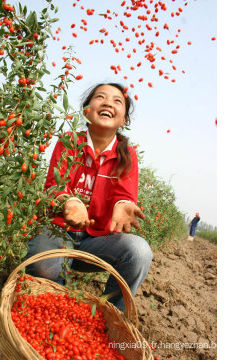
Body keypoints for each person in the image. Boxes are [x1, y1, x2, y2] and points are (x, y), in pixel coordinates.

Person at [25, 83, 153, 312]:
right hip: (58, 233)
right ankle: (51, 311)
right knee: (44, 267)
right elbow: (55, 186)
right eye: (100, 97)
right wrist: (70, 201)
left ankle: (109, 316)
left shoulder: (127, 154)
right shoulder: (70, 141)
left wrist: (123, 204)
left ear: (123, 120)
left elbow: (124, 194)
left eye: (117, 101)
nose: (107, 102)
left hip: (96, 243)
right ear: (86, 110)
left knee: (139, 252)